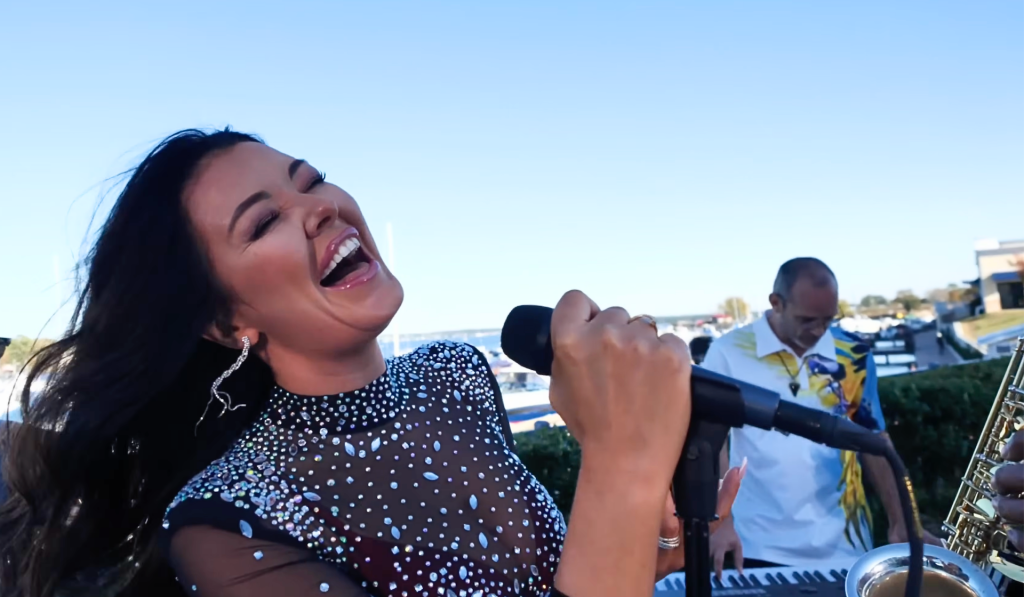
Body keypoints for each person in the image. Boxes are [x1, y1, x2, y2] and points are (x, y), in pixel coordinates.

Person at [0, 129, 743, 597]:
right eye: (264, 221)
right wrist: (621, 466)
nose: (318, 206)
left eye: (311, 179)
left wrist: (654, 540)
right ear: (226, 323)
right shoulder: (223, 523)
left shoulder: (455, 375)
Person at [702, 257, 941, 576]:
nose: (818, 331)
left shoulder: (853, 353)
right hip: (757, 543)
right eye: (807, 320)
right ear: (776, 303)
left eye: (827, 320)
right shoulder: (727, 351)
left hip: (847, 546)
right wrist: (722, 522)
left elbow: (873, 441)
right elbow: (712, 443)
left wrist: (901, 521)